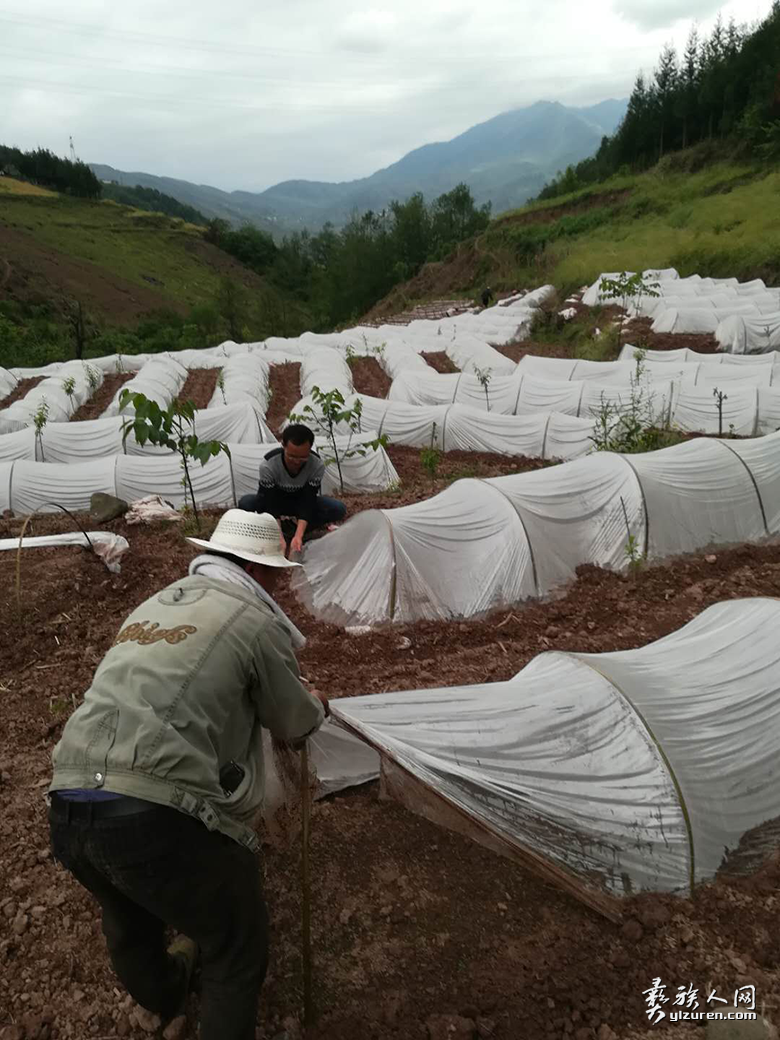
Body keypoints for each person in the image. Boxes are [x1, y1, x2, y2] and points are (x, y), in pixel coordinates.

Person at [48, 509, 329, 1040]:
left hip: (67, 797)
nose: (278, 583)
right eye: (276, 572)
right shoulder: (252, 619)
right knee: (235, 944)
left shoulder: (155, 604)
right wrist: (318, 703)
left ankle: (166, 989)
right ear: (260, 570)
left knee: (128, 913)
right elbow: (294, 720)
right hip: (153, 810)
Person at [239, 423, 347, 555]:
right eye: (291, 456)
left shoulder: (316, 465)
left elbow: (308, 500)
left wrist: (298, 537)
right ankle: (279, 529)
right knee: (246, 503)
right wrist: (278, 538)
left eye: (302, 457)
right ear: (283, 445)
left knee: (337, 508)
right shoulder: (268, 465)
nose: (296, 461)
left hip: (299, 502)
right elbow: (270, 502)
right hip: (275, 500)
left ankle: (294, 529)